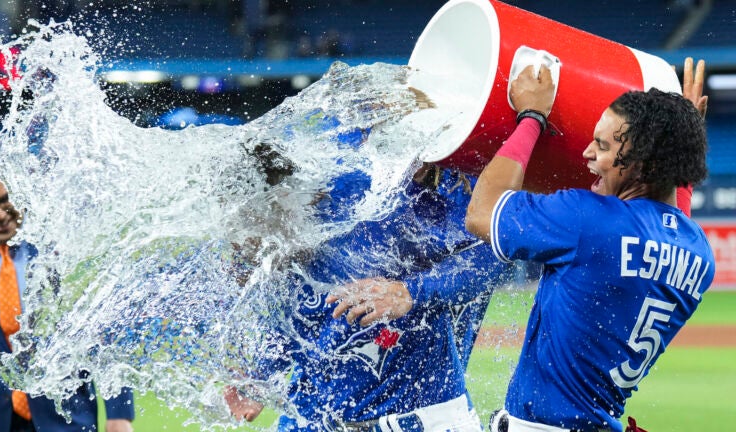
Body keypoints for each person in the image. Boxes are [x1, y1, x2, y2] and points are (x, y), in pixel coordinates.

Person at [464, 57, 714, 432]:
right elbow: (669, 214)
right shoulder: (699, 252)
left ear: (643, 165)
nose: (587, 154)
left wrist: (532, 115)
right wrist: (681, 138)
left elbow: (481, 212)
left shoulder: (589, 220)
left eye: (602, 145)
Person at [225, 160, 515, 431]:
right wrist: (265, 371)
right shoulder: (334, 156)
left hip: (414, 414)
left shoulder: (465, 174)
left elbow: (496, 254)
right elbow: (299, 284)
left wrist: (409, 291)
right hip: (309, 415)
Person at [0, 150, 135, 432]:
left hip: (65, 415)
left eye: (6, 200)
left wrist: (119, 413)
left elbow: (103, 327)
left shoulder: (65, 242)